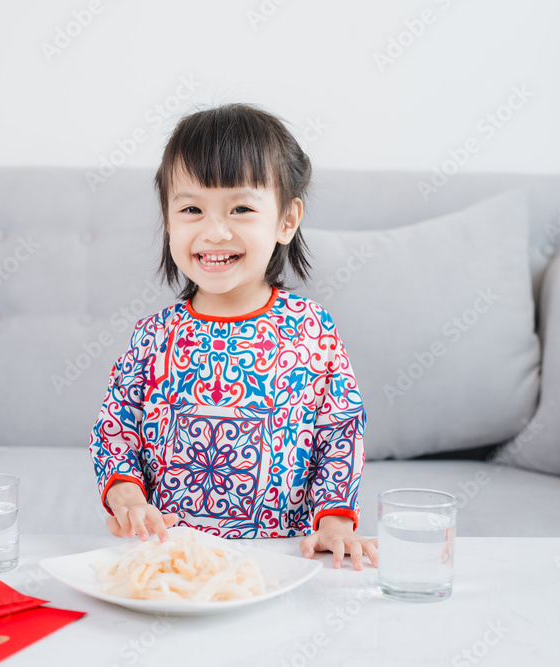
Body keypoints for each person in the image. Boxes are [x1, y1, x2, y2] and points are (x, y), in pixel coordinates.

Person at [87, 102, 377, 570]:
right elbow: (115, 427)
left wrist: (336, 522)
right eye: (191, 209)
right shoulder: (154, 337)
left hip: (278, 562)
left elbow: (340, 433)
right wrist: (126, 496)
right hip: (169, 562)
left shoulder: (312, 330)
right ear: (168, 219)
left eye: (241, 208)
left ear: (286, 219)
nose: (215, 231)